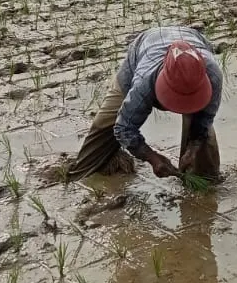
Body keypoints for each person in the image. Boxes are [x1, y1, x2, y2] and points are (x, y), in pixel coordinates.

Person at [67, 26, 223, 183]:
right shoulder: (144, 82)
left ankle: (206, 180)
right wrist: (152, 158)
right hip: (145, 47)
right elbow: (124, 128)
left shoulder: (213, 75)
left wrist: (193, 148)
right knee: (106, 123)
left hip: (190, 39)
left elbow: (205, 117)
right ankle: (80, 174)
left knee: (203, 135)